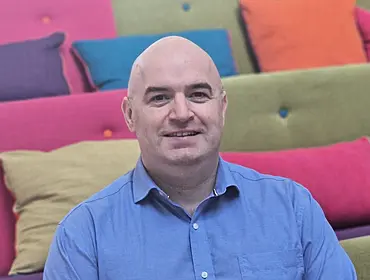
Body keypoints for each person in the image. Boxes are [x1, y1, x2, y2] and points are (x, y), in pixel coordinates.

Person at [43, 36, 357, 280]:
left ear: (221, 108)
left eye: (198, 95)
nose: (181, 114)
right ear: (129, 115)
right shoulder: (84, 235)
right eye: (160, 98)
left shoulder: (292, 206)